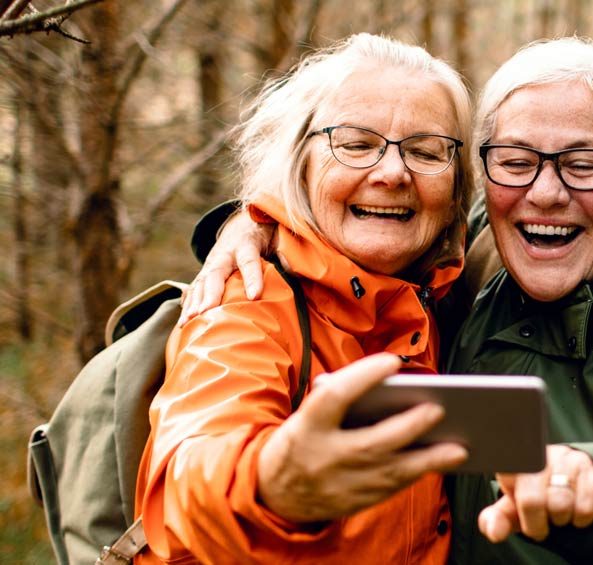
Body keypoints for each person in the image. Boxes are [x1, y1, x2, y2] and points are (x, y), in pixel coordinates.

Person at [183, 37, 593, 562]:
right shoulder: (470, 263)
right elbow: (363, 219)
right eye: (517, 160)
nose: (545, 193)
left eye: (583, 163)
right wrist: (256, 220)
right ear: (484, 171)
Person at [134, 33, 475, 564]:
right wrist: (274, 485)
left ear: (457, 187)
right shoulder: (247, 301)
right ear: (301, 163)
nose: (392, 173)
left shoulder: (451, 295)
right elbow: (190, 473)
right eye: (357, 144)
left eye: (425, 151)